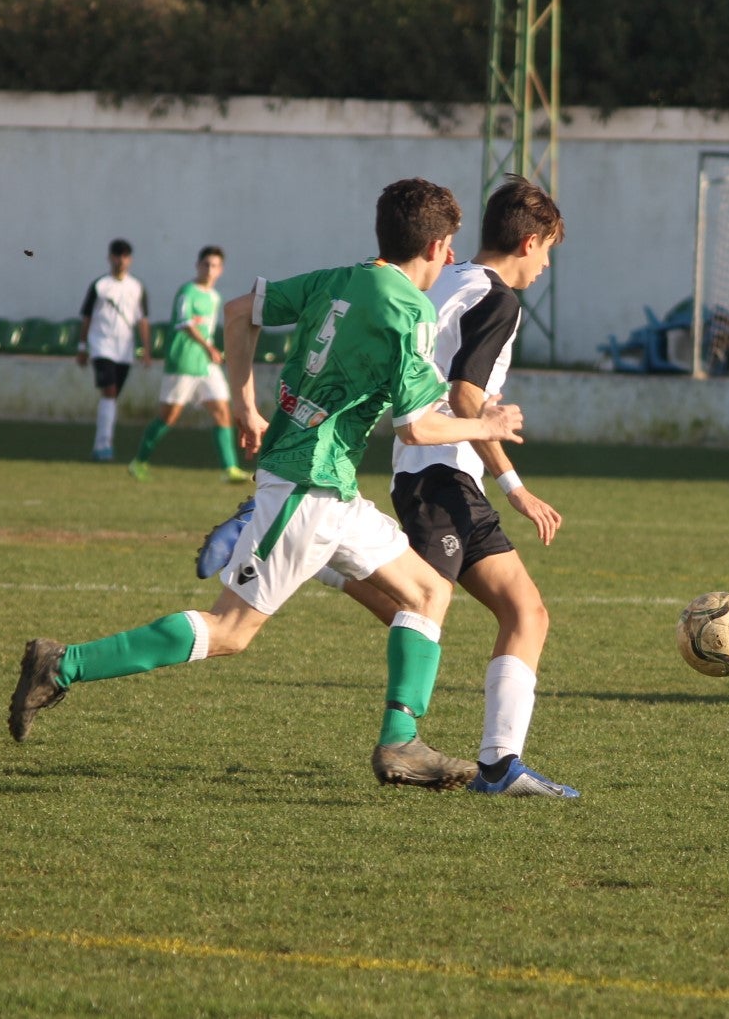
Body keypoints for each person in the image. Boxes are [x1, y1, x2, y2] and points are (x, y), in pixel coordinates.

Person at [9, 178, 526, 793]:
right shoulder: (409, 310)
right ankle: (63, 664)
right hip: (308, 485)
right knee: (230, 631)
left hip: (328, 486)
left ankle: (400, 742)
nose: (451, 257)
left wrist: (245, 406)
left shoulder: (338, 277)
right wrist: (487, 423)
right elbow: (416, 427)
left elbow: (237, 312)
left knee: (428, 592)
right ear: (437, 247)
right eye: (450, 246)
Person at [194, 175, 575, 798]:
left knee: (494, 610)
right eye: (549, 250)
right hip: (444, 470)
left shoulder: (443, 274)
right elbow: (466, 395)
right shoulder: (500, 300)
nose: (547, 265)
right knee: (439, 607)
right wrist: (514, 484)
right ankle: (481, 761)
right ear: (529, 242)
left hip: (422, 466)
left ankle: (496, 762)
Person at [127, 245, 252, 484]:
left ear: (221, 270)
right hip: (183, 362)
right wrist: (209, 347)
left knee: (222, 411)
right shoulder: (187, 291)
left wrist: (212, 349)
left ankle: (230, 469)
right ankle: (139, 461)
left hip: (206, 365)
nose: (209, 269)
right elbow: (185, 323)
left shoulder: (214, 297)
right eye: (206, 264)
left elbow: (207, 329)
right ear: (198, 266)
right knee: (169, 416)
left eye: (214, 265)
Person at [78, 238, 152, 462]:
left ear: (130, 259)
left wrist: (146, 349)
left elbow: (142, 320)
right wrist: (82, 346)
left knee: (112, 396)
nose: (121, 260)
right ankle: (103, 445)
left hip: (124, 350)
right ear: (110, 258)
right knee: (109, 391)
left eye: (125, 256)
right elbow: (87, 317)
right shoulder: (100, 285)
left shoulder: (136, 287)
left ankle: (102, 443)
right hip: (102, 346)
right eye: (117, 256)